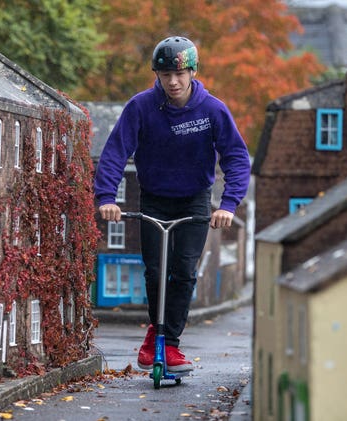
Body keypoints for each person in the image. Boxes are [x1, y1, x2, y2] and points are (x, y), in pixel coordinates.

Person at [94, 36, 251, 372]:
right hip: (154, 198)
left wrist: (228, 204)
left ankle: (170, 343)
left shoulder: (212, 110)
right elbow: (115, 152)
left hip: (194, 200)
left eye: (180, 74)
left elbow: (236, 157)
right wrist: (106, 197)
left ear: (192, 72)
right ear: (157, 75)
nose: (173, 82)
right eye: (166, 75)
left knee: (183, 272)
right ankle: (156, 334)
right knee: (154, 271)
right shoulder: (140, 107)